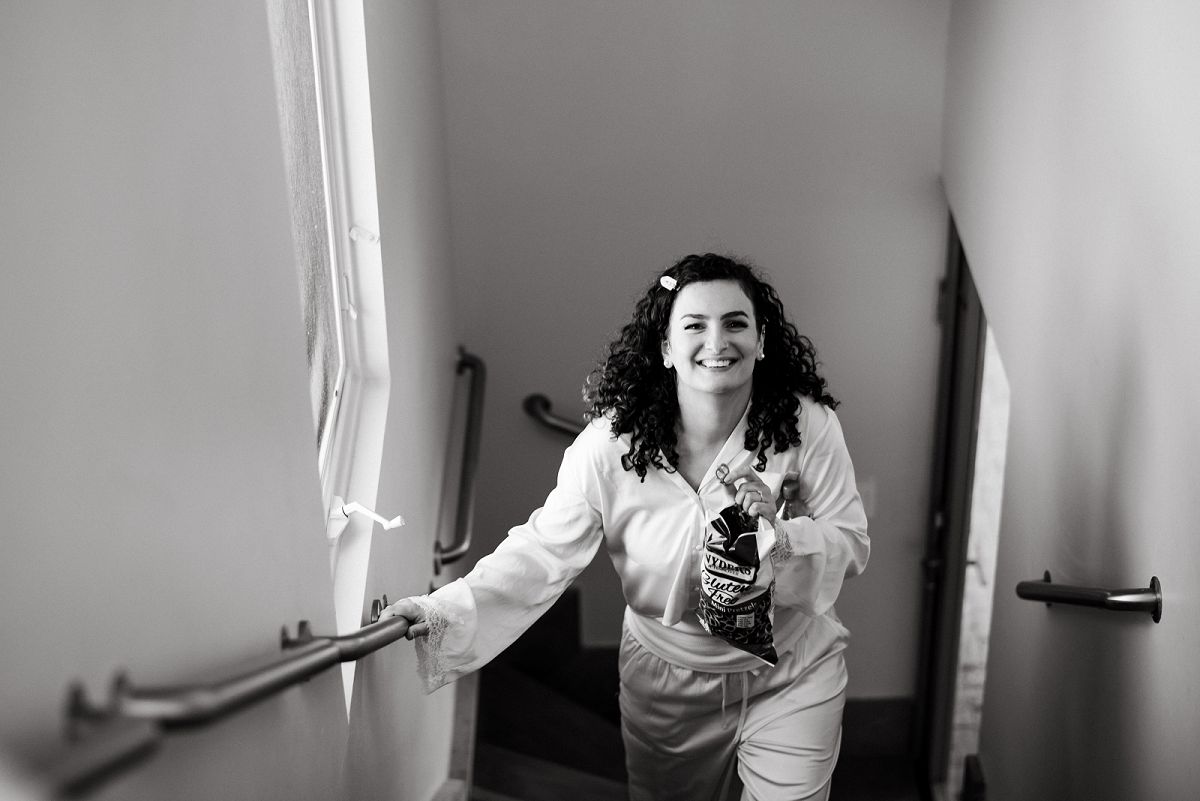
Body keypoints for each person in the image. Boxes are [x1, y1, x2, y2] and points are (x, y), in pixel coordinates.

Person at [382, 252, 869, 801]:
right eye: (694, 325)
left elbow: (850, 542)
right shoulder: (609, 449)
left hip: (792, 668)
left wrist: (781, 539)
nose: (718, 342)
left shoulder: (807, 428)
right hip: (667, 682)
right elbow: (544, 551)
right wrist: (441, 610)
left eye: (736, 323)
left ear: (761, 341)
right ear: (665, 348)